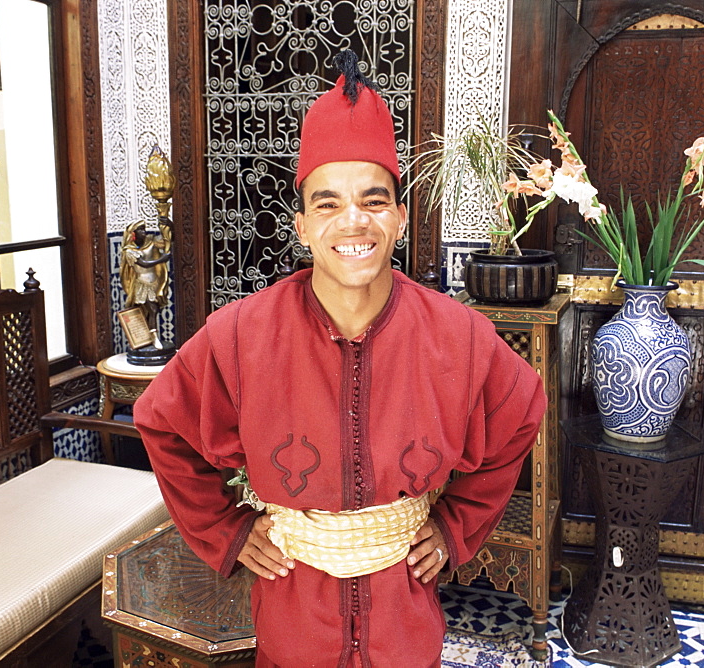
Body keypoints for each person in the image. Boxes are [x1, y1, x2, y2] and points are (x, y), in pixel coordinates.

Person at [134, 50, 546, 667]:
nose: (353, 220)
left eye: (374, 200)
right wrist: (229, 530)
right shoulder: (242, 335)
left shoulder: (457, 336)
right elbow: (162, 422)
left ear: (401, 217)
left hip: (404, 622)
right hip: (293, 617)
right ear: (301, 225)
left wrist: (455, 525)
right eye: (327, 203)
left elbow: (522, 413)